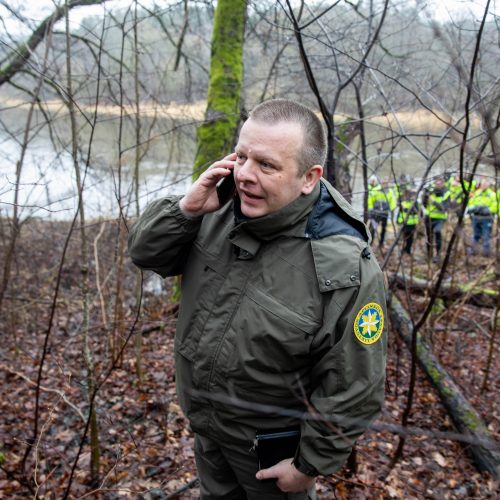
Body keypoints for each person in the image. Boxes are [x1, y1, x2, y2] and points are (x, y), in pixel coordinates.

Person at [128, 99, 387, 499]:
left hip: (272, 458)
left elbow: (354, 386)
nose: (245, 175)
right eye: (242, 155)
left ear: (308, 178)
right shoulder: (216, 208)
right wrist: (186, 210)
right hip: (208, 432)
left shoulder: (343, 265)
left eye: (266, 165)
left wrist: (308, 465)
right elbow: (145, 254)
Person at [423, 176, 451, 263]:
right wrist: (425, 196)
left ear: (443, 183)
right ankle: (429, 255)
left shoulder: (446, 193)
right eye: (436, 182)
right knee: (429, 236)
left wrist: (433, 201)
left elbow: (443, 208)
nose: (438, 184)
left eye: (440, 182)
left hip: (440, 218)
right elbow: (424, 205)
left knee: (437, 232)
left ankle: (438, 254)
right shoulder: (430, 192)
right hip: (429, 218)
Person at [467, 179, 497, 257]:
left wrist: (485, 210)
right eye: (482, 184)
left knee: (486, 235)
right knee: (475, 235)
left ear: (488, 185)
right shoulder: (476, 193)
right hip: (476, 217)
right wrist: (475, 208)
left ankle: (485, 253)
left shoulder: (492, 194)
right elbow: (470, 204)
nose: (483, 186)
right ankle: (472, 252)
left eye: (485, 184)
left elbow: (494, 207)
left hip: (486, 218)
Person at [367, 176, 395, 248]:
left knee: (383, 228)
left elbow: (393, 202)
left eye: (386, 183)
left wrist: (392, 211)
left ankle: (381, 243)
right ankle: (371, 243)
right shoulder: (376, 190)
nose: (384, 185)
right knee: (373, 228)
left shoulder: (390, 192)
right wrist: (370, 210)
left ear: (388, 184)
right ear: (381, 183)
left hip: (385, 214)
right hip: (376, 214)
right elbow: (370, 200)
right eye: (383, 183)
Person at [397, 188, 420, 256]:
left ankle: (408, 249)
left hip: (412, 223)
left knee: (410, 238)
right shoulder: (402, 203)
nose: (407, 196)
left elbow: (417, 212)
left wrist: (411, 209)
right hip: (403, 223)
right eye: (406, 195)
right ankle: (402, 250)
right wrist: (398, 221)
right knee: (403, 238)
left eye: (408, 195)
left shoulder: (414, 202)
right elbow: (400, 213)